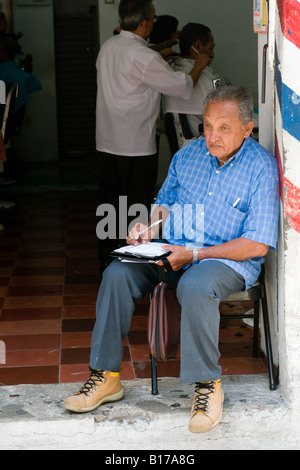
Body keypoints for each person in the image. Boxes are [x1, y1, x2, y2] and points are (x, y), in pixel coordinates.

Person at [65, 85, 280, 433]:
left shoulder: (261, 168)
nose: (212, 136)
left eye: (223, 128)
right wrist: (146, 229)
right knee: (117, 273)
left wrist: (195, 254)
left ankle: (207, 386)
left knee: (196, 285)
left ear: (247, 128)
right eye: (207, 126)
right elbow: (163, 205)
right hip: (174, 250)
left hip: (224, 261)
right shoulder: (188, 155)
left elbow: (256, 245)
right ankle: (106, 376)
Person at [95, 0, 207, 271]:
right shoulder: (146, 58)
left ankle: (106, 260)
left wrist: (158, 51)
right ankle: (130, 265)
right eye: (154, 19)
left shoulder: (109, 47)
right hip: (135, 144)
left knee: (110, 204)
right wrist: (199, 65)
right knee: (134, 207)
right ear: (144, 22)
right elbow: (180, 86)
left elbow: (135, 56)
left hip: (106, 141)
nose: (155, 23)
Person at [162, 23, 217, 138]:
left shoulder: (170, 69)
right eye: (211, 48)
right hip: (203, 140)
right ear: (197, 45)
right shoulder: (196, 72)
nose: (212, 54)